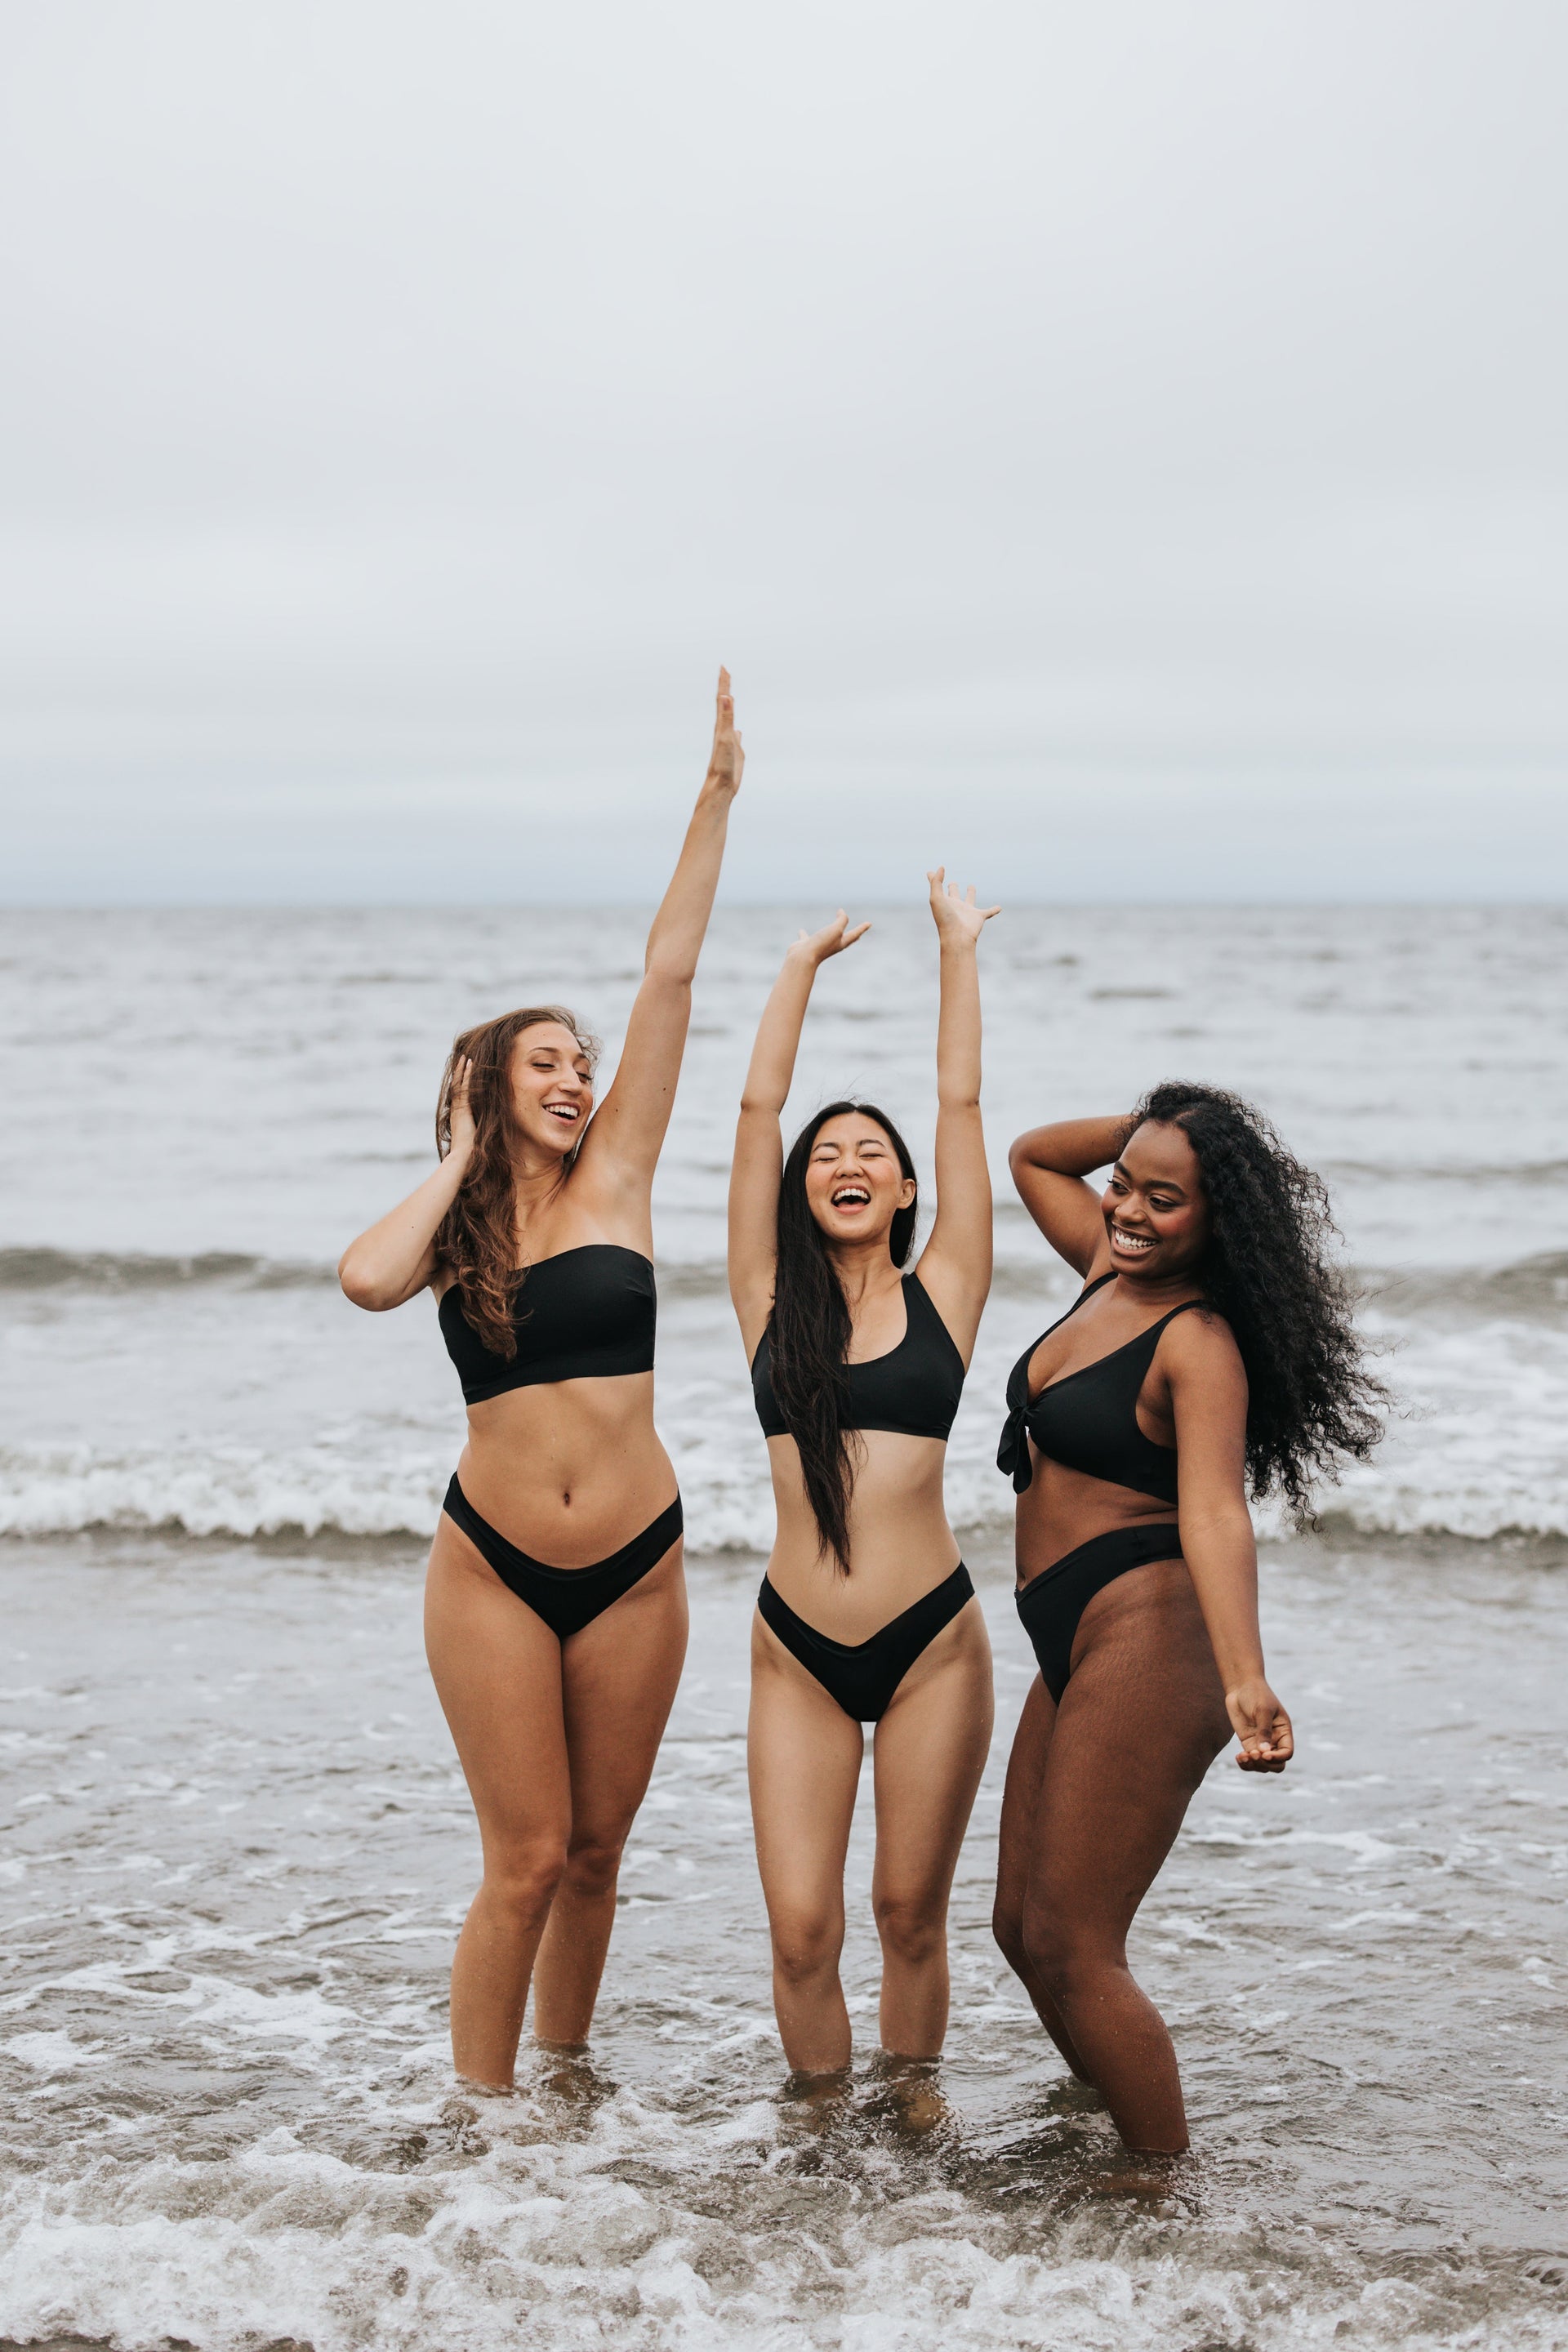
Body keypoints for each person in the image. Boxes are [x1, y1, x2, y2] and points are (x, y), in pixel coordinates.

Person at [337, 672, 744, 2087]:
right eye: (547, 1064)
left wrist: (714, 802)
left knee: (594, 1855)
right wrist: (459, 1153)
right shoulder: (454, 1233)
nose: (576, 1080)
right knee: (520, 1859)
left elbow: (670, 978)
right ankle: (479, 2122)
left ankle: (563, 2087)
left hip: (636, 1559)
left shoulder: (621, 1174)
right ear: (493, 1084)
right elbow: (364, 1281)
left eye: (582, 1063)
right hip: (493, 1562)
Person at [991, 1082, 1386, 2153]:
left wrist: (1243, 1674)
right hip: (1070, 1636)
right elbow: (1032, 1156)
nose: (1128, 1210)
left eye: (1167, 1200)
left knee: (1076, 1942)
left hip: (1151, 1635)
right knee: (1020, 1933)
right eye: (1124, 1186)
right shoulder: (1104, 1266)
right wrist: (1163, 1135)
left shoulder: (1196, 1341)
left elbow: (1216, 1511)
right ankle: (1108, 2119)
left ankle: (1162, 2185)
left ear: (1220, 1221)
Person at [727, 871, 999, 2089]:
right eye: (826, 1153)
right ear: (803, 1187)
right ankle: (822, 2147)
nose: (846, 1161)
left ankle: (912, 2128)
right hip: (798, 1653)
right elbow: (752, 1108)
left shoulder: (949, 1291)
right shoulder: (765, 1302)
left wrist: (956, 950)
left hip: (934, 1641)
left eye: (869, 1153)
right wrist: (796, 971)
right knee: (800, 1934)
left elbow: (960, 1099)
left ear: (902, 1191)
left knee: (907, 1917)